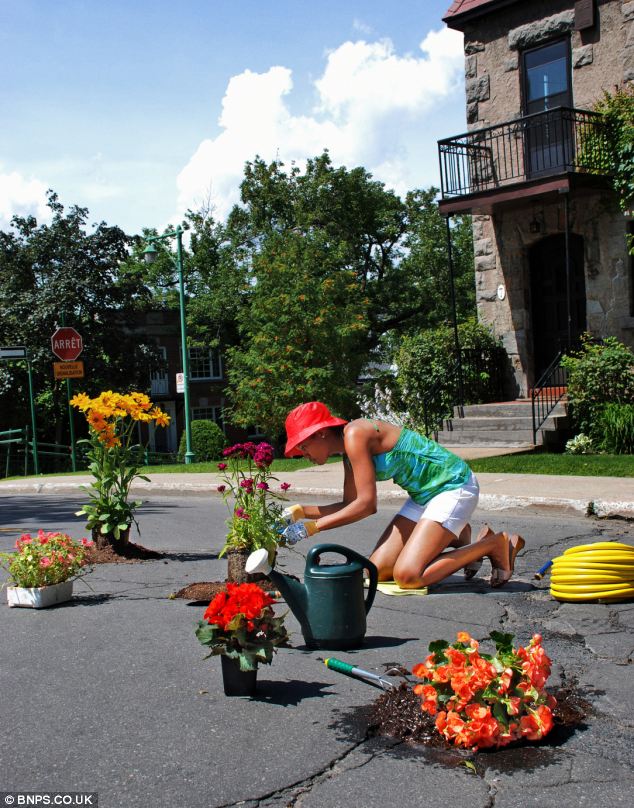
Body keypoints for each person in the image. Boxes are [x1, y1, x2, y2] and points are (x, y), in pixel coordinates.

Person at [281, 401, 524, 589]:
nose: (303, 454)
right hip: (423, 497)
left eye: (303, 446)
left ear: (321, 433)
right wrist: (299, 512)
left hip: (453, 486)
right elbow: (349, 503)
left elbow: (366, 505)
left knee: (409, 576)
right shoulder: (349, 454)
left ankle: (493, 544)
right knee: (376, 571)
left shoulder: (355, 434)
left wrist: (310, 528)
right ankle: (456, 535)